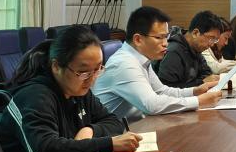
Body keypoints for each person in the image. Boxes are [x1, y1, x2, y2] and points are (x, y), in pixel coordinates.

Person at [0, 24, 139, 152]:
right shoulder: (34, 96)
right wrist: (109, 144)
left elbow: (113, 121)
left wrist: (90, 130)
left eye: (98, 69)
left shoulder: (79, 90)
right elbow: (45, 150)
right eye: (83, 72)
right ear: (56, 66)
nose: (91, 79)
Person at [94, 6, 222, 122]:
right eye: (159, 37)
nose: (165, 43)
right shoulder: (124, 64)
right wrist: (198, 101)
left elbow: (161, 91)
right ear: (138, 39)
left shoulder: (141, 59)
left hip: (136, 125)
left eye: (166, 36)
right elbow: (152, 105)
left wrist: (195, 91)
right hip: (115, 134)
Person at [154, 10, 224, 88]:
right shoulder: (174, 52)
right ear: (195, 33)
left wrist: (202, 81)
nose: (212, 44)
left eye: (215, 40)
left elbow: (207, 74)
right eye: (211, 38)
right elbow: (167, 89)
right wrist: (201, 82)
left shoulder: (196, 49)